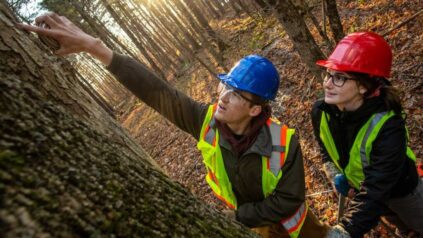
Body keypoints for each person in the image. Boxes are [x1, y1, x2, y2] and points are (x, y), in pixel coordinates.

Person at [18, 13, 329, 238]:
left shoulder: (284, 142)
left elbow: (288, 200)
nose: (221, 96)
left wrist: (236, 217)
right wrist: (96, 48)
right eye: (224, 87)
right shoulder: (205, 122)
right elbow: (158, 92)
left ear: (255, 108)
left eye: (235, 94)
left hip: (301, 231)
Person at [311, 31, 423, 238]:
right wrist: (334, 172)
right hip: (367, 194)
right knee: (402, 227)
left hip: (402, 191)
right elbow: (325, 149)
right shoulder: (322, 111)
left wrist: (345, 230)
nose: (327, 83)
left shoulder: (388, 126)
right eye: (328, 74)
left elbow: (377, 189)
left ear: (364, 85)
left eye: (339, 78)